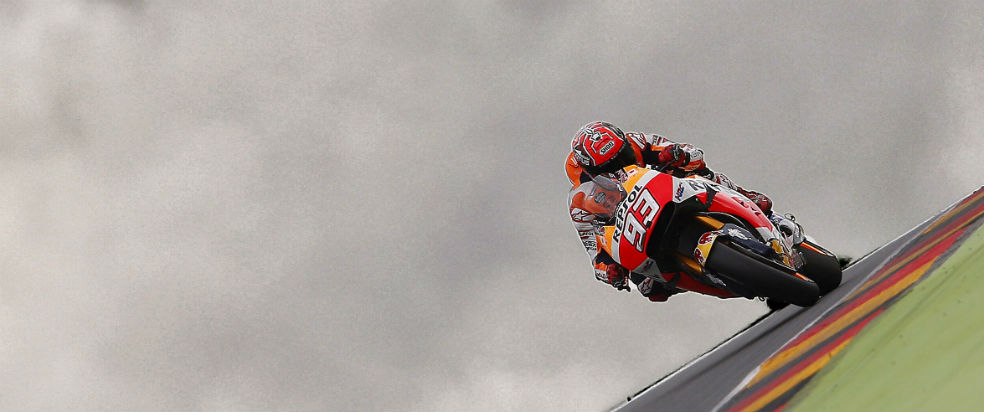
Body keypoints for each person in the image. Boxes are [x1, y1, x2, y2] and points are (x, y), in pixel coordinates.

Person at [566, 121, 776, 302]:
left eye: (623, 155)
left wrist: (679, 155)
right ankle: (708, 278)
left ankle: (742, 195)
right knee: (651, 289)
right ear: (591, 171)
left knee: (696, 171)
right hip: (635, 227)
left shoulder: (636, 141)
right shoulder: (581, 201)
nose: (621, 164)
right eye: (611, 166)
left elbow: (693, 153)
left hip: (664, 190)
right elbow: (595, 254)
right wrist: (609, 271)